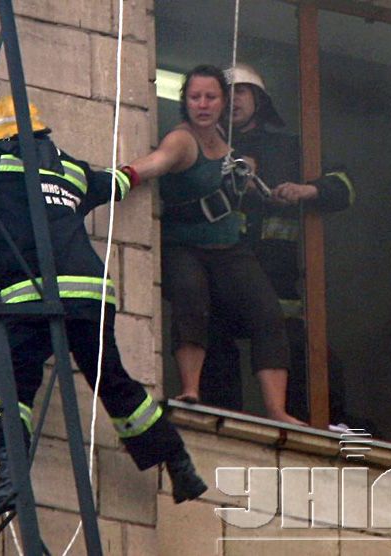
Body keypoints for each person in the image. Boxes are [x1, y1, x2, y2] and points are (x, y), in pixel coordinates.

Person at [0, 95, 207, 528]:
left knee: (8, 387)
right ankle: (179, 464)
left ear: (0, 135)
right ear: (40, 131)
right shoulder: (69, 167)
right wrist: (152, 162)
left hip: (26, 290)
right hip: (90, 291)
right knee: (113, 382)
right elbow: (119, 181)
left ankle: (10, 476)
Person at [125, 64, 303, 426]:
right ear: (185, 102)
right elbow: (156, 163)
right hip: (184, 245)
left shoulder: (227, 146)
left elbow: (244, 188)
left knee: (267, 312)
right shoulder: (182, 139)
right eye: (195, 97)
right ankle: (190, 388)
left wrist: (252, 177)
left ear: (222, 103)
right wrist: (120, 177)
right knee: (192, 298)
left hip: (227, 248)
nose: (202, 105)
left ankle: (276, 409)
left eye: (210, 97)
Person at [199, 63, 355, 425]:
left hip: (276, 278)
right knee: (215, 351)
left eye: (242, 92)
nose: (234, 100)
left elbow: (344, 187)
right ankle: (219, 424)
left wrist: (305, 190)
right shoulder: (208, 148)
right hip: (223, 273)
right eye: (228, 93)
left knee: (301, 352)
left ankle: (313, 425)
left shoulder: (290, 148)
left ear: (260, 100)